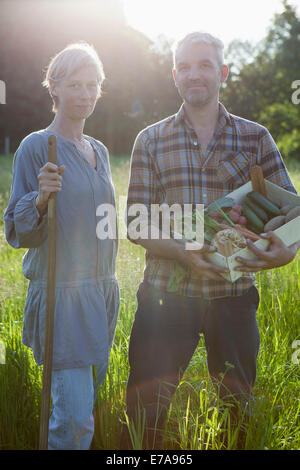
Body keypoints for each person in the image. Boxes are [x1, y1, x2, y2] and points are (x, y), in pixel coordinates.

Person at [122, 32, 300, 450]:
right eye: (184, 66)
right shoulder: (150, 140)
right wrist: (184, 250)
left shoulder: (255, 137)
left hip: (233, 295)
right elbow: (134, 222)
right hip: (165, 296)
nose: (193, 73)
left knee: (239, 411)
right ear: (174, 76)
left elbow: (293, 211)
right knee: (147, 412)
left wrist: (284, 250)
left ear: (222, 73)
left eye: (204, 65)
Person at [4, 43, 119, 450]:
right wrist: (38, 199)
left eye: (93, 85)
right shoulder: (36, 147)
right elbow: (17, 233)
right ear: (53, 88)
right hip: (62, 295)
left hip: (102, 293)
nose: (86, 94)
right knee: (73, 420)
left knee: (84, 409)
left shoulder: (100, 151)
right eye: (75, 85)